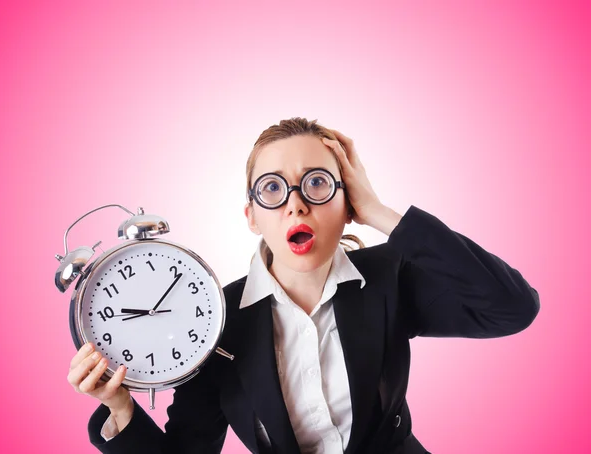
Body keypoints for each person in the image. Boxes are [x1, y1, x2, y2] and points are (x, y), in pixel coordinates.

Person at [67, 117, 540, 454]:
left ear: (346, 200)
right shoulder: (213, 323)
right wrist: (119, 406)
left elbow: (510, 307)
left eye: (317, 184)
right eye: (272, 188)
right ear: (251, 216)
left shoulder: (390, 278)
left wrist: (378, 212)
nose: (296, 205)